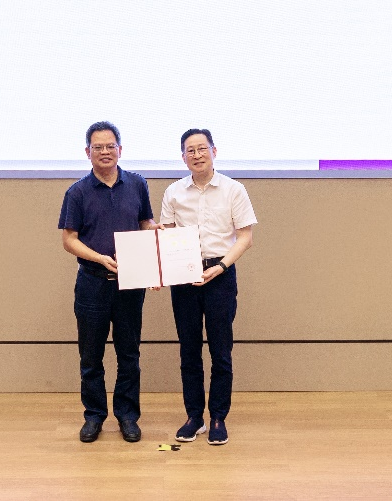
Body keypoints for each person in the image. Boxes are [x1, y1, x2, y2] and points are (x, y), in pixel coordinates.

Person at [58, 121, 157, 443]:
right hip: (92, 282)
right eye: (98, 147)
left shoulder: (137, 184)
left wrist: (157, 235)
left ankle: (127, 416)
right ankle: (94, 416)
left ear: (120, 149)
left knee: (129, 354)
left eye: (110, 146)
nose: (105, 152)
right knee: (91, 356)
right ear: (87, 152)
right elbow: (69, 240)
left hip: (131, 282)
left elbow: (145, 222)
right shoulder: (77, 192)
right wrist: (100, 258)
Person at [159, 128, 257, 445]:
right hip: (184, 275)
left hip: (221, 274)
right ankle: (194, 417)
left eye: (202, 148)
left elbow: (245, 237)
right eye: (190, 150)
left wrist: (221, 266)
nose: (197, 155)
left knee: (220, 350)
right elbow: (166, 237)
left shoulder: (234, 189)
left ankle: (218, 418)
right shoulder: (174, 192)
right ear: (183, 157)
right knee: (189, 350)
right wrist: (159, 270)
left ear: (214, 151)